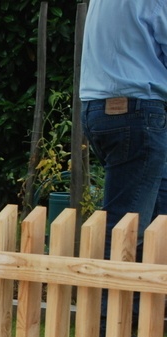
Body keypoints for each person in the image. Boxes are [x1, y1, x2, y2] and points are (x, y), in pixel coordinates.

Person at [80, 0, 167, 261]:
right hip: (137, 114)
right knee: (125, 228)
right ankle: (109, 301)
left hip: (98, 109)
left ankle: (142, 300)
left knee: (155, 220)